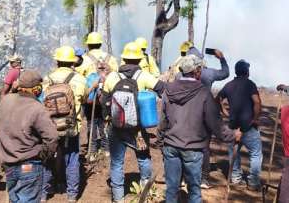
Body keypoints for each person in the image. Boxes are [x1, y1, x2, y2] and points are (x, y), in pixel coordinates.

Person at [159, 55, 239, 203]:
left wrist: (160, 141)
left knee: (171, 189)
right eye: (200, 69)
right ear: (196, 71)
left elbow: (163, 120)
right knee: (194, 191)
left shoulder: (168, 90)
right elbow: (215, 123)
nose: (201, 72)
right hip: (193, 148)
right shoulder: (203, 93)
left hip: (171, 146)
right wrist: (233, 136)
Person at [102, 42, 165, 203]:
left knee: (117, 163)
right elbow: (162, 89)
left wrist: (107, 119)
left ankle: (118, 198)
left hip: (115, 127)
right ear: (139, 60)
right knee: (143, 158)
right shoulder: (143, 76)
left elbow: (104, 100)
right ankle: (146, 190)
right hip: (137, 129)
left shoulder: (113, 76)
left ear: (123, 59)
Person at [0, 69, 59, 203]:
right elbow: (52, 137)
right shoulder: (37, 108)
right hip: (29, 164)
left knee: (14, 199)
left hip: (8, 163)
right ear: (37, 89)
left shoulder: (5, 101)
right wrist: (46, 154)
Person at [42, 46, 87, 202]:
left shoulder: (47, 79)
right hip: (71, 127)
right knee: (72, 159)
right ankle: (72, 195)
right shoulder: (80, 79)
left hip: (50, 127)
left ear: (57, 61)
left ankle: (44, 193)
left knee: (48, 158)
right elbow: (85, 99)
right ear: (72, 62)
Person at [217, 59, 262, 191]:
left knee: (233, 152)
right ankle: (253, 183)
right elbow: (257, 102)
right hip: (248, 127)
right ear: (247, 72)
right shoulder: (250, 84)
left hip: (232, 126)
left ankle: (236, 178)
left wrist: (225, 112)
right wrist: (255, 118)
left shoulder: (229, 85)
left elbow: (217, 99)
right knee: (255, 153)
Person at [189, 46, 230, 186]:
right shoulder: (207, 74)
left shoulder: (179, 75)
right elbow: (225, 73)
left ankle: (184, 177)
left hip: (187, 113)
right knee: (204, 146)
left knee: (185, 145)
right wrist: (222, 58)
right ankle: (204, 179)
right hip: (204, 111)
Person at [78, 32, 117, 156]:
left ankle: (93, 149)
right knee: (105, 121)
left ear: (88, 45)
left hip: (91, 96)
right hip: (107, 96)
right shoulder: (110, 58)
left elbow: (79, 77)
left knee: (92, 122)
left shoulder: (84, 59)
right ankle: (106, 149)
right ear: (100, 44)